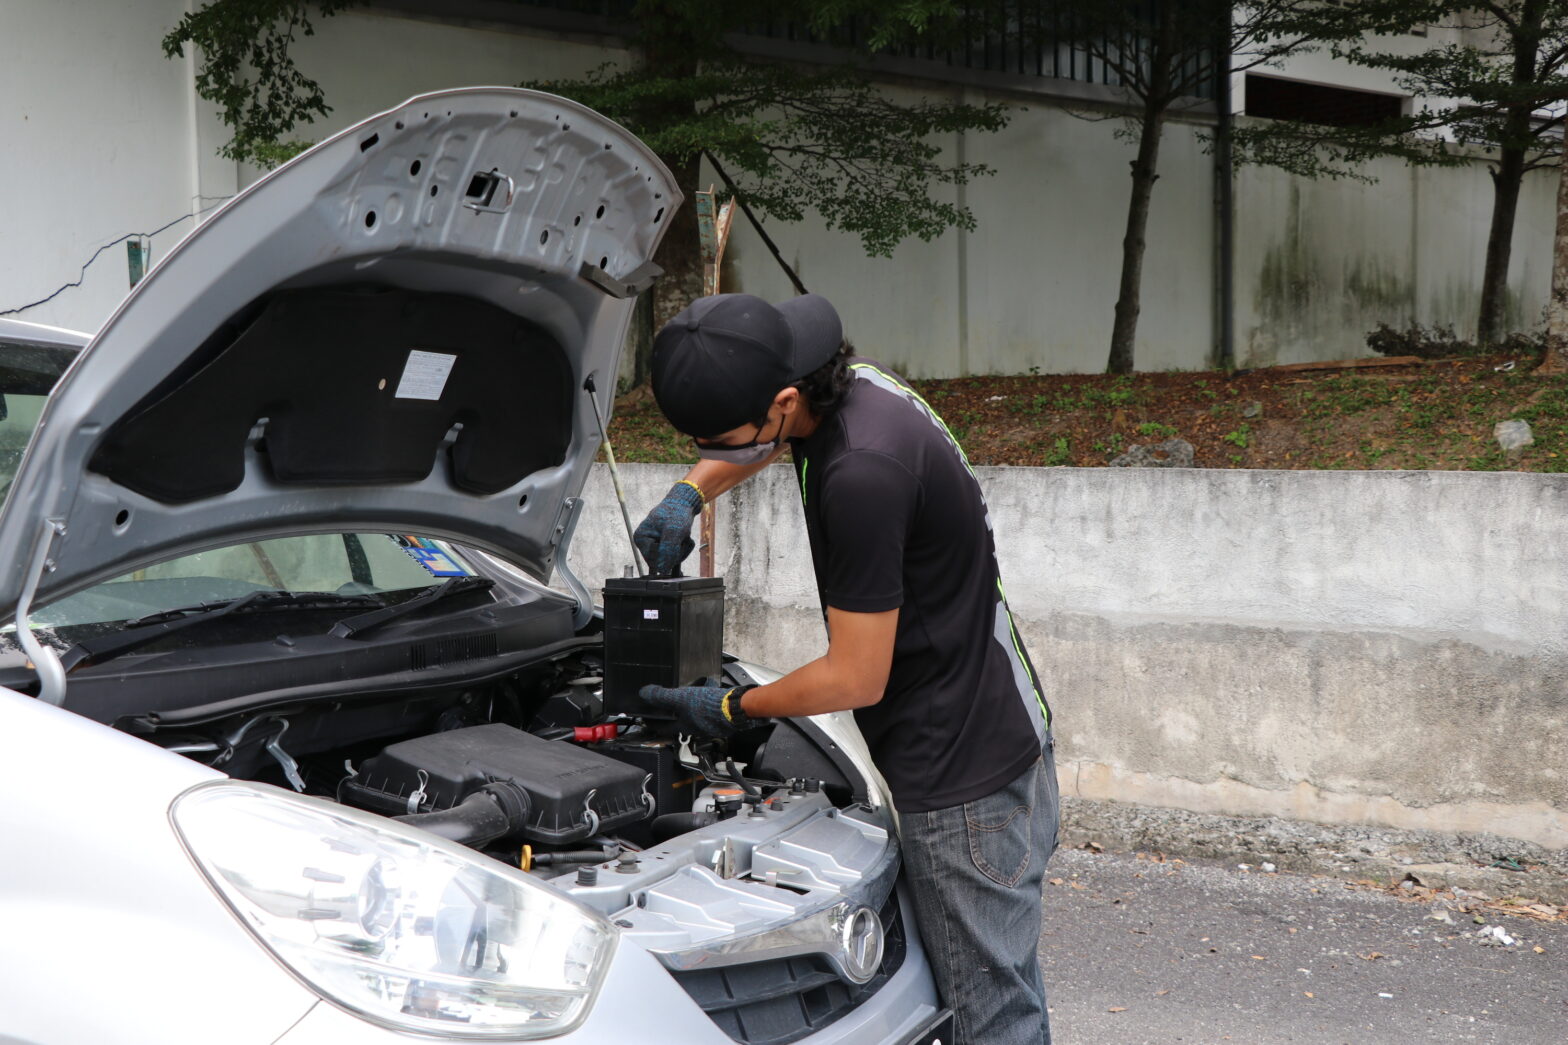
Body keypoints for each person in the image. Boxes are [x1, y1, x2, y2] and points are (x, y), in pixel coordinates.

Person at [634, 292, 1058, 1045]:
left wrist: (736, 707)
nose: (720, 452)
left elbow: (857, 675)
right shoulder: (834, 374)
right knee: (994, 988)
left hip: (965, 784)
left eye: (721, 442)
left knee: (990, 1016)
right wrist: (690, 490)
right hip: (997, 721)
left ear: (786, 399)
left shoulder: (860, 472)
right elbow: (759, 438)